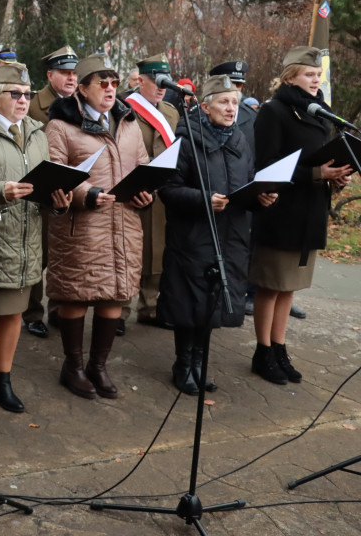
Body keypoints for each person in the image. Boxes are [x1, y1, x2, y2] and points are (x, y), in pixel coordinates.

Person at [0, 63, 72, 415]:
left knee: (15, 313)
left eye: (28, 94)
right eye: (15, 94)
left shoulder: (37, 132)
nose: (23, 100)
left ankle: (2, 378)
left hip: (26, 240)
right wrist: (0, 192)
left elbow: (46, 182)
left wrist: (59, 202)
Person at [158, 75, 278, 395]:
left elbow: (247, 183)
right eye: (224, 102)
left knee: (214, 300)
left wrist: (261, 198)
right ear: (206, 104)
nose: (231, 109)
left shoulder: (240, 140)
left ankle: (199, 363)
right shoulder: (185, 140)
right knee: (191, 301)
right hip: (195, 235)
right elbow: (168, 190)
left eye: (235, 103)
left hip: (231, 235)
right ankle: (183, 364)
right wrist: (204, 200)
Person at [45, 53, 153, 400]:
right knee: (76, 296)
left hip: (124, 223)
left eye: (114, 84)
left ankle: (98, 366)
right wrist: (86, 193)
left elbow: (145, 165)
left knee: (114, 298)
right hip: (82, 226)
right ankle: (73, 367)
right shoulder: (61, 125)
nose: (110, 90)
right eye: (102, 84)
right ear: (83, 88)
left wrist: (146, 192)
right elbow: (54, 173)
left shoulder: (129, 122)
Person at [248, 46, 352, 384]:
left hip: (310, 212)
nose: (315, 80)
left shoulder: (321, 112)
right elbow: (265, 168)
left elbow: (322, 158)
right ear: (291, 75)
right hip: (281, 211)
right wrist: (317, 174)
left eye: (318, 76)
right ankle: (262, 352)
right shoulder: (274, 111)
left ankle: (279, 347)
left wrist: (336, 175)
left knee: (289, 287)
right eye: (309, 74)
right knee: (271, 285)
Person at [119, 53, 180, 334]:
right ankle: (118, 310)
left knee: (157, 250)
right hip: (131, 189)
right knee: (128, 250)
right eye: (156, 80)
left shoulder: (170, 111)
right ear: (140, 80)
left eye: (165, 80)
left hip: (161, 191)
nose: (161, 85)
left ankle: (150, 305)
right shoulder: (123, 108)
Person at [23, 45, 80, 340]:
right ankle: (32, 312)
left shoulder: (82, 103)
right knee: (39, 252)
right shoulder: (33, 105)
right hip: (41, 187)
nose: (71, 79)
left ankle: (60, 308)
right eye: (64, 73)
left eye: (74, 73)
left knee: (64, 253)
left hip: (72, 187)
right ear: (50, 75)